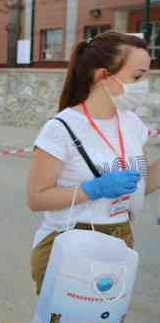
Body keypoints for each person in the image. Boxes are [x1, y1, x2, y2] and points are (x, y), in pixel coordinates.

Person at [27, 32, 159, 294]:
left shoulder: (131, 124)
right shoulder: (61, 128)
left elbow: (144, 183)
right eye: (136, 77)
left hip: (120, 239)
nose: (144, 84)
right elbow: (36, 198)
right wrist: (94, 189)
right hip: (69, 242)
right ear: (102, 76)